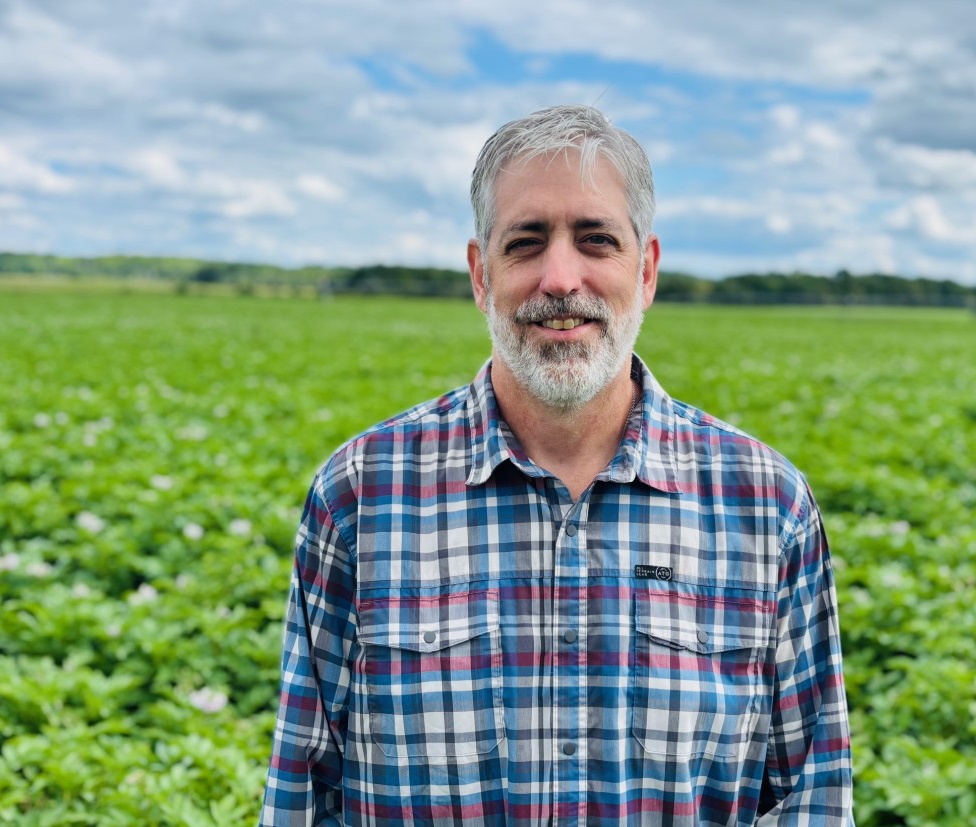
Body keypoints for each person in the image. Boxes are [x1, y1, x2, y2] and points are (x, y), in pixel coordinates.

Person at [261, 105, 853, 826]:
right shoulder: (362, 495)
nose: (559, 277)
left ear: (647, 271)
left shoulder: (767, 506)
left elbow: (812, 801)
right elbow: (302, 793)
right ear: (482, 274)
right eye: (526, 242)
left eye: (596, 239)